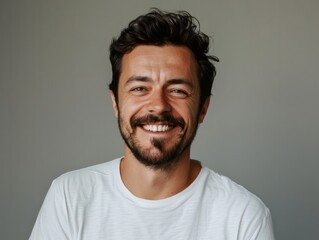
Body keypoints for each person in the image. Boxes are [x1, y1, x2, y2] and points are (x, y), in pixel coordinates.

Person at [30, 9, 275, 240]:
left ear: (203, 108)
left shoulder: (243, 216)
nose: (158, 105)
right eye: (139, 88)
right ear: (115, 103)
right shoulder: (69, 197)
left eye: (178, 90)